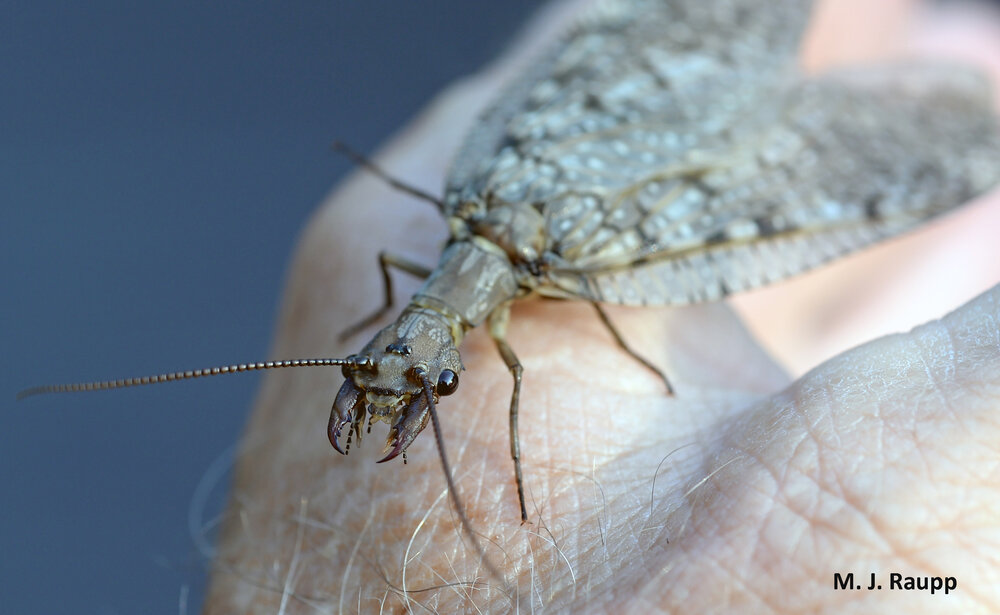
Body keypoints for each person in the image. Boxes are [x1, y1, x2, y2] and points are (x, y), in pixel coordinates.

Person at [203, 0, 1000, 611]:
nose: (416, 370)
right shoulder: (470, 202)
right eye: (434, 377)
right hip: (662, 108)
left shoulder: (537, 267)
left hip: (692, 136)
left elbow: (521, 366)